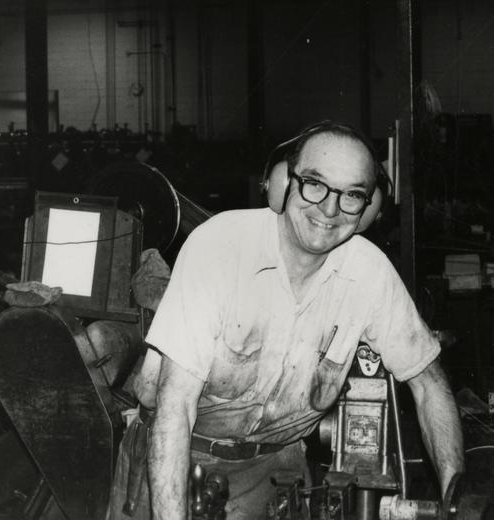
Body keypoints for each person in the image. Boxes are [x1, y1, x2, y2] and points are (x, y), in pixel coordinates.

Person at [114, 122, 464, 520]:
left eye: (352, 195)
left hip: (275, 472)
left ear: (368, 210)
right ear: (283, 185)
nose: (329, 209)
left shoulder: (370, 274)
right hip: (174, 458)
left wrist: (455, 500)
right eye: (314, 184)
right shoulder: (219, 248)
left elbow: (429, 383)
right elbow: (175, 406)